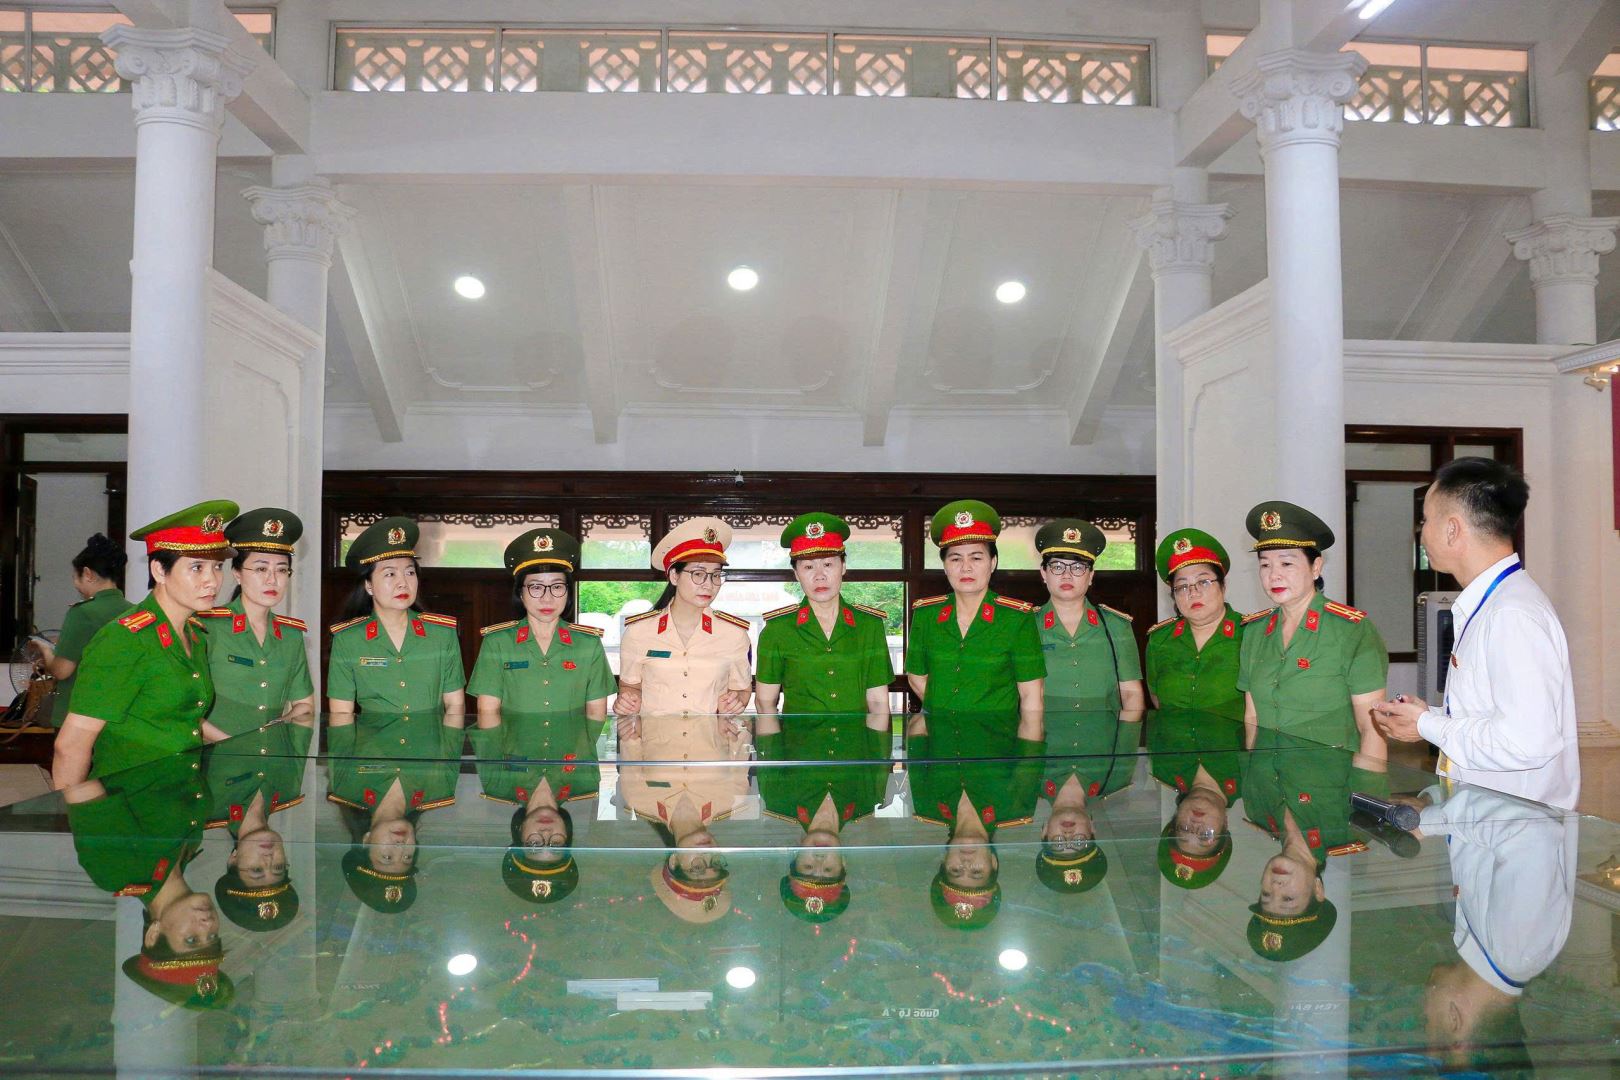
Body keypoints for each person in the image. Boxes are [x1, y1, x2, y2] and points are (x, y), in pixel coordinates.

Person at [1371, 457, 1579, 810]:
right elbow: (1491, 717)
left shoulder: (1511, 615)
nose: (1421, 532)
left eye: (1425, 520)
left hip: (1516, 833)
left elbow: (1526, 743)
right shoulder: (1492, 604)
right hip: (1487, 824)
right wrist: (1431, 716)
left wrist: (1426, 726)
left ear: (1452, 529)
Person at [53, 500, 238, 788]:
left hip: (181, 796)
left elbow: (178, 715)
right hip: (132, 803)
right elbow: (71, 745)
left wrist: (238, 746)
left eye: (217, 567)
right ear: (159, 571)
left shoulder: (194, 634)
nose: (212, 581)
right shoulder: (125, 639)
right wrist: (82, 811)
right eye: (196, 567)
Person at [1397, 784, 1576, 1069]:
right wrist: (1429, 822)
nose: (1423, 1006)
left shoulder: (1492, 947)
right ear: (1454, 1021)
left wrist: (1431, 802)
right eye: (1425, 1020)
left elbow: (1482, 819)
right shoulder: (1517, 951)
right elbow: (1531, 832)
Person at [64, 749, 231, 1009]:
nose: (207, 925)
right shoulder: (189, 847)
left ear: (153, 934)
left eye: (192, 939)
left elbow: (72, 772)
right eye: (212, 937)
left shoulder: (117, 871)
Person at [1236, 501, 1388, 753]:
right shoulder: (1254, 632)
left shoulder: (1351, 631)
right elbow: (1252, 716)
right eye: (1265, 565)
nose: (1274, 575)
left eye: (1286, 563)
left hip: (1326, 774)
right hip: (1264, 775)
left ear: (1316, 567)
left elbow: (1371, 728)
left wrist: (1368, 779)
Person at [904, 500, 1044, 741]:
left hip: (997, 744)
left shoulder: (1017, 618)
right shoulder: (926, 614)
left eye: (976, 558)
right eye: (955, 559)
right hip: (940, 742)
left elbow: (1032, 695)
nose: (965, 568)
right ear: (945, 566)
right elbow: (916, 676)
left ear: (993, 563)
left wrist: (1028, 758)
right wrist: (951, 711)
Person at [755, 512, 894, 734]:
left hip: (854, 749)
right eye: (808, 567)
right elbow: (765, 705)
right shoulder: (777, 630)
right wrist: (773, 755)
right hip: (800, 750)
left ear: (843, 566)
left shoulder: (869, 626)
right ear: (796, 573)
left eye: (828, 564)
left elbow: (878, 704)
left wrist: (876, 755)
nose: (819, 576)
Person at [468, 528, 614, 729]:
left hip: (571, 748)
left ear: (568, 592)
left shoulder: (589, 644)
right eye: (536, 587)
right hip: (514, 748)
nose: (547, 598)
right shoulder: (497, 642)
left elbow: (596, 713)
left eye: (557, 587)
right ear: (521, 593)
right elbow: (487, 712)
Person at [327, 516, 465, 727]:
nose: (403, 583)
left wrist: (448, 748)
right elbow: (341, 713)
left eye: (409, 572)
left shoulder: (442, 634)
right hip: (372, 746)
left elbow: (455, 705)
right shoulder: (348, 639)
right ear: (369, 585)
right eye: (390, 574)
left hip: (430, 744)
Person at [614, 517, 752, 727]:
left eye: (716, 575)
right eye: (698, 574)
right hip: (657, 743)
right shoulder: (638, 632)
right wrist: (628, 700)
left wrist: (736, 701)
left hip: (711, 743)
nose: (708, 585)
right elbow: (629, 686)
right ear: (674, 576)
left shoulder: (734, 635)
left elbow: (741, 689)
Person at [194, 508, 315, 736]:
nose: (272, 579)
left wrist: (275, 728)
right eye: (261, 569)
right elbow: (186, 708)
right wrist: (233, 744)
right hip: (218, 753)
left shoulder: (291, 634)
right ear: (237, 573)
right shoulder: (207, 626)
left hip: (273, 754)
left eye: (281, 570)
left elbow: (304, 705)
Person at [327, 711, 461, 914]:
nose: (400, 847)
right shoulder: (440, 789)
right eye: (407, 857)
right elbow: (454, 713)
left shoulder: (346, 787)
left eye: (387, 857)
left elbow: (341, 715)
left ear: (366, 841)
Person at [205, 720, 311, 933]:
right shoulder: (289, 791)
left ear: (233, 859)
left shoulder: (208, 804)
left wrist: (236, 745)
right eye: (278, 867)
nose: (269, 859)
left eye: (256, 870)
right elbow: (302, 719)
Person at [1032, 518, 1143, 718]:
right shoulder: (1027, 625)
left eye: (1077, 567)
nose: (1067, 575)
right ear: (1044, 573)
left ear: (1091, 575)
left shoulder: (1116, 625)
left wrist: (1127, 737)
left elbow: (1131, 694)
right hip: (1047, 736)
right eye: (1057, 566)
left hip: (1104, 735)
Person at [1144, 528, 1249, 723]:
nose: (1193, 593)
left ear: (1223, 586)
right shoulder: (1159, 640)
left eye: (1204, 582)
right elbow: (1156, 699)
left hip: (1232, 741)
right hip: (1173, 741)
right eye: (1182, 586)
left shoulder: (1250, 634)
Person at [33, 533, 128, 730]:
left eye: (75, 578)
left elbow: (61, 670)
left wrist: (46, 651)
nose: (75, 584)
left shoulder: (82, 613)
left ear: (87, 574)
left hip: (81, 717)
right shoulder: (135, 612)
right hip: (121, 714)